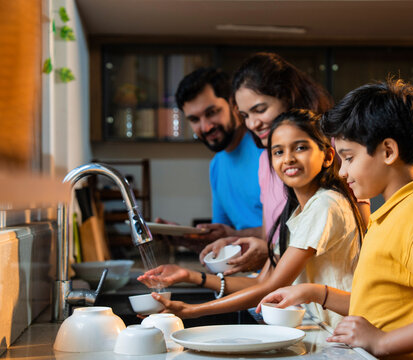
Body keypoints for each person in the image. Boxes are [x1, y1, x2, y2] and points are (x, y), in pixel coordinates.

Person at [257, 80, 413, 359]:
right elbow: (383, 306)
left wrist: (382, 341)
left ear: (388, 152)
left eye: (348, 158)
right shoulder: (390, 213)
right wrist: (315, 293)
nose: (343, 172)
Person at [139, 109, 364, 326]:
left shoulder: (326, 204)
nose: (288, 159)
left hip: (345, 335)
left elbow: (271, 287)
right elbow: (261, 281)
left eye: (301, 147)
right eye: (278, 151)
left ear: (327, 156)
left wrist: (192, 310)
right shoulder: (300, 211)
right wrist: (188, 275)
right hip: (330, 330)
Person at [199, 52, 370, 274]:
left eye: (260, 110)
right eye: (245, 115)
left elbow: (358, 234)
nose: (253, 123)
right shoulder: (265, 160)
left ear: (287, 97)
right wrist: (236, 241)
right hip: (283, 298)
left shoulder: (337, 149)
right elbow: (275, 234)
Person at [160, 67, 263, 252]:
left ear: (234, 104)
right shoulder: (217, 165)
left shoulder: (268, 149)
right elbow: (221, 238)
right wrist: (186, 239)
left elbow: (295, 230)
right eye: (194, 119)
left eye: (212, 112)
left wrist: (232, 236)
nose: (205, 127)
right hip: (248, 274)